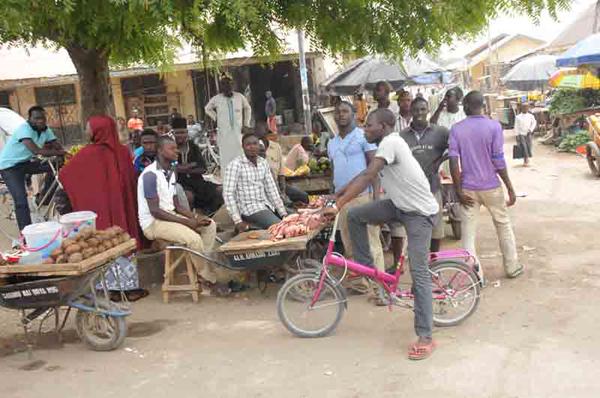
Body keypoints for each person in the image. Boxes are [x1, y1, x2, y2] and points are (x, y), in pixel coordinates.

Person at [325, 108, 439, 360]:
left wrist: (338, 204)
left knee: (418, 274)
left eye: (369, 125)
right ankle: (368, 269)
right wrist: (339, 193)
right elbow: (362, 175)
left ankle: (426, 336)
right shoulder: (384, 146)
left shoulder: (391, 142)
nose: (365, 129)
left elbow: (368, 175)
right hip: (400, 206)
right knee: (356, 216)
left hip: (419, 213)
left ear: (385, 126)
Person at [448, 91, 522, 280]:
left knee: (468, 234)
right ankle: (512, 267)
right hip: (491, 186)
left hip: (467, 188)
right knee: (503, 225)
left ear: (465, 107)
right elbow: (498, 160)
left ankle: (476, 276)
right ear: (483, 106)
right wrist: (510, 188)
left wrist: (457, 190)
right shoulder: (494, 127)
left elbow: (453, 162)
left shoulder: (456, 129)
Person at [138, 136, 220, 287]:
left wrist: (195, 217)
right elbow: (155, 211)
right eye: (172, 148)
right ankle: (207, 277)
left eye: (176, 148)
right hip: (153, 223)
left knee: (209, 225)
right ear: (160, 151)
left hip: (169, 217)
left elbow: (177, 206)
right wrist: (188, 222)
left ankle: (201, 269)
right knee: (193, 240)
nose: (176, 151)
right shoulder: (150, 175)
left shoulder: (171, 172)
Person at [59, 115, 141, 245]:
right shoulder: (123, 152)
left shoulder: (87, 153)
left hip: (101, 204)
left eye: (88, 128)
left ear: (98, 130)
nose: (86, 131)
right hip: (121, 201)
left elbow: (64, 174)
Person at [327, 101, 385, 275]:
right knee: (349, 243)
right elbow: (334, 170)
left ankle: (380, 284)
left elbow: (373, 169)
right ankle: (360, 282)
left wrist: (376, 198)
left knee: (371, 242)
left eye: (345, 111)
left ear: (353, 114)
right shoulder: (332, 142)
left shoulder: (363, 137)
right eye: (338, 112)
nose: (341, 115)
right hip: (343, 200)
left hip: (363, 197)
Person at [0, 106, 67, 230]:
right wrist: (59, 153)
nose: (40, 121)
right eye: (36, 118)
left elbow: (56, 145)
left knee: (57, 166)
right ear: (30, 119)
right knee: (21, 202)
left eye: (42, 118)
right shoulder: (24, 129)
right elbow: (36, 151)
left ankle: (42, 197)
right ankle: (26, 233)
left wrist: (63, 154)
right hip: (9, 168)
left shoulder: (46, 130)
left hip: (25, 163)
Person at [399, 97, 449, 254]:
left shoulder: (440, 132)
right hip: (411, 191)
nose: (419, 113)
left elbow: (453, 151)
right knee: (415, 230)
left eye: (422, 109)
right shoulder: (402, 136)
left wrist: (439, 161)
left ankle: (434, 262)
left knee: (436, 228)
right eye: (416, 110)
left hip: (432, 188)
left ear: (428, 111)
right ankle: (419, 263)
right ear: (411, 112)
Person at [223, 133, 287, 232]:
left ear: (259, 145)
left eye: (255, 144)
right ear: (243, 147)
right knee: (280, 228)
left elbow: (272, 190)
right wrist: (237, 221)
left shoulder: (263, 163)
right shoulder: (235, 165)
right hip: (249, 210)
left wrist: (283, 213)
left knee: (294, 220)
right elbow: (228, 194)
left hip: (266, 205)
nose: (252, 147)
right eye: (248, 145)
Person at [171, 117, 223, 215]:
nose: (180, 135)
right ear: (173, 133)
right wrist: (191, 165)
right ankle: (189, 221)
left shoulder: (193, 147)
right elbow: (171, 168)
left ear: (187, 132)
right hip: (180, 184)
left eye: (183, 132)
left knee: (221, 190)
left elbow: (203, 169)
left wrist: (184, 169)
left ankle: (209, 217)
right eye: (177, 133)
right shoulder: (169, 147)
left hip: (198, 182)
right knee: (188, 196)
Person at [205, 76, 252, 172]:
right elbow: (207, 108)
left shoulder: (239, 97)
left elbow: (247, 108)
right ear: (221, 87)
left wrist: (246, 124)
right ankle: (226, 181)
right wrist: (216, 118)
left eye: (229, 84)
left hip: (238, 132)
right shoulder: (217, 99)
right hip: (224, 134)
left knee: (240, 154)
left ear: (233, 85)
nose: (227, 86)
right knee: (225, 158)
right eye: (224, 84)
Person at [258, 128, 309, 204]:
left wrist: (283, 193)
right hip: (264, 189)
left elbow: (281, 174)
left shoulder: (276, 147)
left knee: (304, 197)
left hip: (278, 185)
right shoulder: (254, 149)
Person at [514, 102, 536, 166]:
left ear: (528, 108)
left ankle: (527, 158)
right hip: (521, 134)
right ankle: (525, 160)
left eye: (526, 107)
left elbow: (534, 123)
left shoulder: (531, 116)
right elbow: (516, 126)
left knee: (529, 146)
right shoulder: (518, 117)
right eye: (524, 107)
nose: (525, 108)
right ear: (521, 108)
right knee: (524, 147)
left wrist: (531, 130)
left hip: (528, 133)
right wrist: (517, 135)